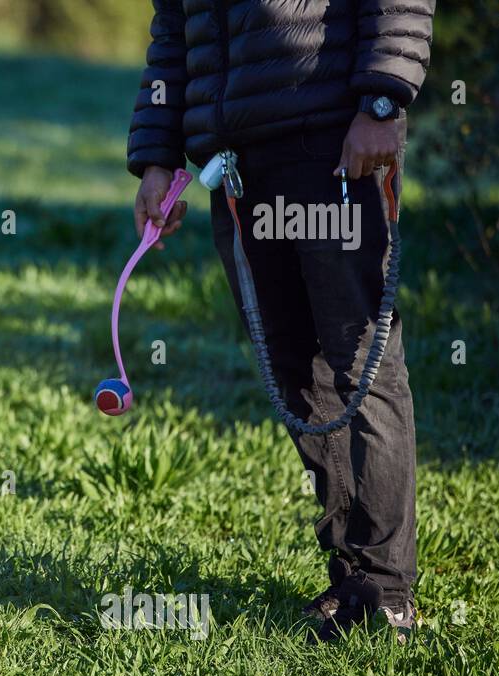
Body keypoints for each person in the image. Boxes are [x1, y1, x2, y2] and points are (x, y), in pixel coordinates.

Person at [126, 0, 435, 642]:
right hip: (237, 168)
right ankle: (353, 578)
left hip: (329, 148)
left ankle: (388, 591)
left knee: (360, 363)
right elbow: (173, 35)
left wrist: (380, 102)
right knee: (295, 370)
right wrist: (158, 155)